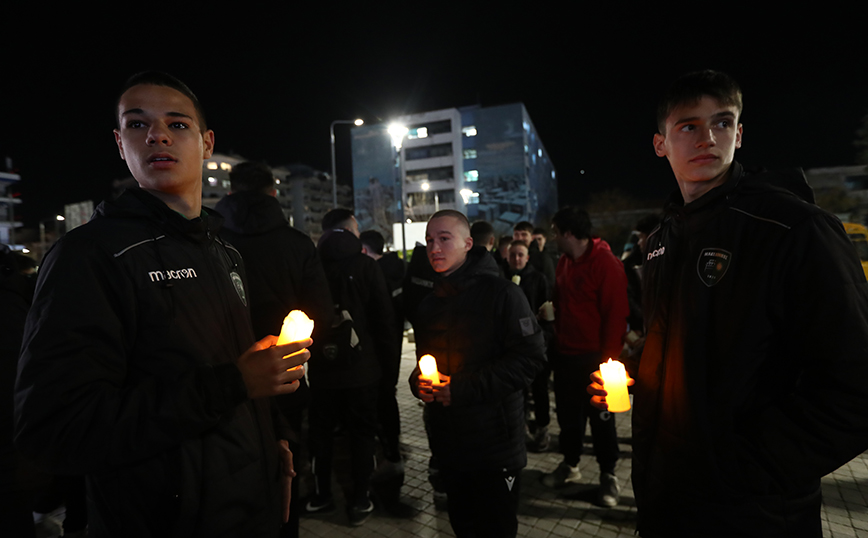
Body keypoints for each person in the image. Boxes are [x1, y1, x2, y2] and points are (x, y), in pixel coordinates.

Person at [14, 72, 311, 537]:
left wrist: (273, 439)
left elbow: (236, 379)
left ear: (207, 143)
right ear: (119, 142)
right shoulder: (90, 256)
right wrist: (234, 383)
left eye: (177, 124)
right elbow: (54, 430)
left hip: (252, 507)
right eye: (138, 125)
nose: (157, 135)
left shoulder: (224, 251)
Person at [589, 70, 868, 537]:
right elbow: (691, 344)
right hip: (667, 502)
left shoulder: (792, 228)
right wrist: (637, 375)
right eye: (689, 126)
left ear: (739, 135)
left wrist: (747, 465)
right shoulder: (662, 239)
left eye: (721, 123)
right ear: (661, 144)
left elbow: (855, 385)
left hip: (752, 514)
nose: (707, 138)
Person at [215, 161, 333, 537]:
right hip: (285, 373)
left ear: (230, 193)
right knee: (286, 469)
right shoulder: (296, 244)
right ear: (274, 193)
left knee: (229, 469)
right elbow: (321, 312)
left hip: (222, 377)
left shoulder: (210, 243)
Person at [409, 210, 546, 537]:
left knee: (495, 529)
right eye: (429, 240)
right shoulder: (429, 304)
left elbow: (530, 357)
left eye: (444, 238)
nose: (434, 248)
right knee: (463, 526)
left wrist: (462, 389)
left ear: (468, 243)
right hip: (449, 445)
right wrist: (419, 384)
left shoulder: (503, 294)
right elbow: (423, 363)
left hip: (494, 445)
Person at [304, 209, 396, 526]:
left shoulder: (311, 263)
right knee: (362, 435)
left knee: (321, 436)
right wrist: (389, 373)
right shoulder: (367, 266)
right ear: (349, 230)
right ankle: (360, 499)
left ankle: (321, 496)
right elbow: (385, 322)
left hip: (322, 370)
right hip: (363, 370)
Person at [541, 206, 629, 508]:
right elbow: (562, 302)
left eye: (555, 232)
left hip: (596, 360)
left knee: (602, 419)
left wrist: (608, 363)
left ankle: (608, 475)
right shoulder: (564, 262)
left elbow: (616, 315)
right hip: (566, 355)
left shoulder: (606, 263)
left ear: (568, 233)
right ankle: (571, 465)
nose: (553, 238)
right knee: (568, 418)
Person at [359, 229, 414, 517]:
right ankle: (393, 449)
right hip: (393, 347)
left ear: (365, 251)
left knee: (378, 401)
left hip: (376, 350)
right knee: (388, 397)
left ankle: (388, 454)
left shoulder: (371, 273)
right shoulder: (399, 269)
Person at [506, 240, 553, 452]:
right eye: (513, 255)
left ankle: (543, 428)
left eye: (520, 255)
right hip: (513, 347)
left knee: (540, 388)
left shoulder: (539, 279)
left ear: (527, 257)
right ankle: (521, 427)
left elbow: (548, 311)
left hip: (537, 344)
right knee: (519, 390)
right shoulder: (503, 280)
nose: (517, 259)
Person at [514, 220, 555, 294]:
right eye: (516, 234)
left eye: (524, 234)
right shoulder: (508, 255)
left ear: (532, 237)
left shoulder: (542, 258)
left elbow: (550, 283)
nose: (520, 238)